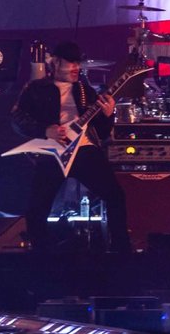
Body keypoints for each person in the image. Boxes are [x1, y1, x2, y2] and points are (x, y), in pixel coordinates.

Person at [10, 40, 132, 252]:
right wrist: (44, 129)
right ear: (56, 63)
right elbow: (17, 119)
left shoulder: (85, 90)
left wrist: (108, 114)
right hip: (53, 150)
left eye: (78, 63)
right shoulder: (37, 88)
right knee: (36, 209)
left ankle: (121, 252)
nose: (76, 68)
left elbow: (102, 132)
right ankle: (42, 256)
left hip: (84, 150)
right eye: (70, 63)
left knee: (115, 195)